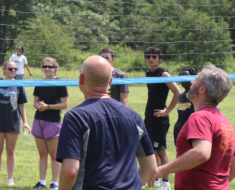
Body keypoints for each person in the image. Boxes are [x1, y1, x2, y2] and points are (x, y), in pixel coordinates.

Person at [57, 56, 157, 190]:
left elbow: (70, 171)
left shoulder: (76, 117)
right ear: (110, 81)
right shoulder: (134, 117)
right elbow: (150, 168)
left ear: (81, 79)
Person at [150, 65, 235, 190]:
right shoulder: (225, 122)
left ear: (203, 89)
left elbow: (201, 152)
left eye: (196, 79)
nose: (191, 81)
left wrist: (162, 169)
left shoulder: (199, 117)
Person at [143, 47, 181, 190]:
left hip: (160, 118)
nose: (150, 59)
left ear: (160, 59)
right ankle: (156, 179)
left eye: (154, 56)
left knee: (161, 150)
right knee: (152, 149)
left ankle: (166, 182)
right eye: (148, 56)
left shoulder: (163, 74)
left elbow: (177, 92)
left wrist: (167, 111)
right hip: (150, 117)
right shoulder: (148, 73)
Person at [0, 60, 30, 186]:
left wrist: (26, 122)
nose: (13, 71)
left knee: (10, 151)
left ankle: (10, 179)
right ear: (4, 69)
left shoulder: (18, 84)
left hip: (13, 122)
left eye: (15, 69)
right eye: (11, 69)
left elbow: (21, 105)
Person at [32, 57, 69, 190]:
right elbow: (35, 102)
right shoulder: (40, 83)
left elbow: (65, 104)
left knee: (54, 155)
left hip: (53, 121)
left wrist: (48, 106)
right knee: (42, 153)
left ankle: (54, 183)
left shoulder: (60, 83)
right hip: (39, 120)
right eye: (45, 66)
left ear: (55, 68)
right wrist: (40, 105)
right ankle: (42, 182)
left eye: (50, 66)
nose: (47, 69)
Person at [173, 67, 197, 147]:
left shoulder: (197, 96)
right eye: (182, 77)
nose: (184, 80)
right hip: (179, 131)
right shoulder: (181, 96)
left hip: (192, 133)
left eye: (187, 77)